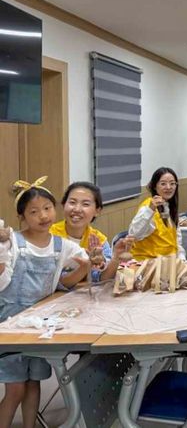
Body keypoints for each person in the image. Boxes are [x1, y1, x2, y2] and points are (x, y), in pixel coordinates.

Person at [0, 178, 90, 428]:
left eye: (47, 208)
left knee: (33, 384)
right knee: (16, 388)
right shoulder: (12, 242)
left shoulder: (62, 246)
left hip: (40, 326)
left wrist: (87, 265)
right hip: (11, 326)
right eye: (34, 211)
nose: (43, 216)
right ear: (22, 217)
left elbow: (77, 271)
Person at [51, 182, 134, 282]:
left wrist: (116, 257)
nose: (77, 209)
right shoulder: (49, 235)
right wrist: (86, 266)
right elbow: (52, 279)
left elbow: (102, 278)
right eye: (72, 202)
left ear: (97, 211)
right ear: (63, 205)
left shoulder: (98, 240)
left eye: (85, 204)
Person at [129, 167, 185, 260]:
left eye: (172, 183)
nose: (168, 187)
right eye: (163, 184)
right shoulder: (148, 207)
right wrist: (150, 210)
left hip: (169, 260)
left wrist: (181, 258)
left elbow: (177, 240)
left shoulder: (169, 206)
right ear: (155, 186)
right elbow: (134, 234)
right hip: (148, 262)